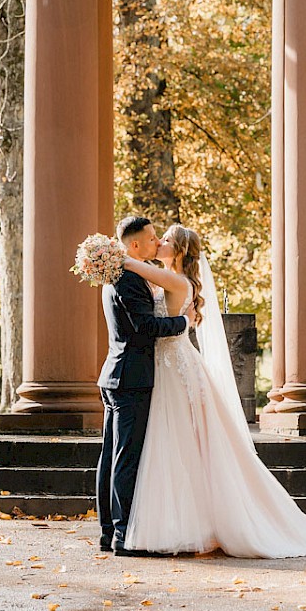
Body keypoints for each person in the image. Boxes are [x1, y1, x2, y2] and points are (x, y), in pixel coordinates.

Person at [121, 223, 306, 559]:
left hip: (175, 368)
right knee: (178, 443)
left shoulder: (175, 280)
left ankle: (188, 525)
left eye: (165, 240)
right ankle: (186, 523)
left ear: (179, 250)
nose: (159, 243)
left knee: (180, 441)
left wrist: (111, 255)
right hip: (169, 364)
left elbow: (131, 264)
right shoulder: (169, 278)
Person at [97, 215, 189, 557]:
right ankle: (122, 534)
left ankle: (109, 532)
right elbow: (146, 327)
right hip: (131, 378)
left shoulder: (118, 275)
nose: (156, 242)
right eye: (151, 238)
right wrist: (183, 322)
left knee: (111, 456)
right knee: (125, 458)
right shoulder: (129, 279)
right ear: (134, 245)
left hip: (117, 374)